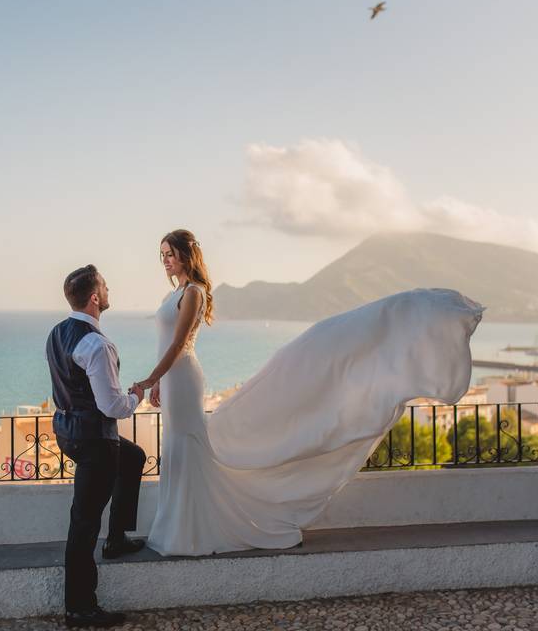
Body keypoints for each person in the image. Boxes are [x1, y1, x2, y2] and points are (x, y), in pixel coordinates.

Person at [134, 229, 484, 556]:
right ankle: (180, 526)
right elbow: (168, 343)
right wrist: (161, 381)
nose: (165, 260)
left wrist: (152, 379)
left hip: (182, 377)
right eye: (161, 254)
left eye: (170, 254)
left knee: (188, 446)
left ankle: (195, 529)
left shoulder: (193, 292)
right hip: (173, 379)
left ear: (186, 255)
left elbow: (179, 344)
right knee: (178, 447)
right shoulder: (173, 293)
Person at [46, 264, 147, 628]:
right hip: (93, 439)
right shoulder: (97, 344)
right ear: (94, 297)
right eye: (104, 286)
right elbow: (111, 407)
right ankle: (80, 608)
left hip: (68, 431)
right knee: (84, 523)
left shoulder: (57, 333)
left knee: (133, 456)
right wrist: (136, 396)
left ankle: (117, 536)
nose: (108, 289)